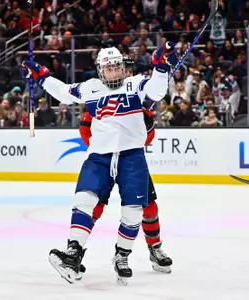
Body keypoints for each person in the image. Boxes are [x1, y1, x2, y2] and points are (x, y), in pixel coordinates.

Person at [21, 42, 178, 285]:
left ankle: (121, 256)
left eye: (117, 68)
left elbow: (157, 91)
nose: (113, 73)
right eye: (109, 69)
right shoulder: (90, 88)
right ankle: (73, 253)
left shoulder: (135, 84)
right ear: (100, 70)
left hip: (132, 156)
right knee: (84, 200)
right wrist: (41, 76)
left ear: (122, 69)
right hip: (99, 157)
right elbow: (64, 92)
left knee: (133, 211)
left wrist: (160, 67)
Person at [75, 58, 172, 279]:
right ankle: (76, 250)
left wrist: (142, 121)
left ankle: (154, 248)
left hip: (131, 160)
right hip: (105, 160)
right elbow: (85, 131)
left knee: (148, 207)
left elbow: (148, 138)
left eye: (126, 69)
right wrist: (106, 147)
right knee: (94, 205)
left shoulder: (137, 96)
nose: (122, 72)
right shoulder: (98, 96)